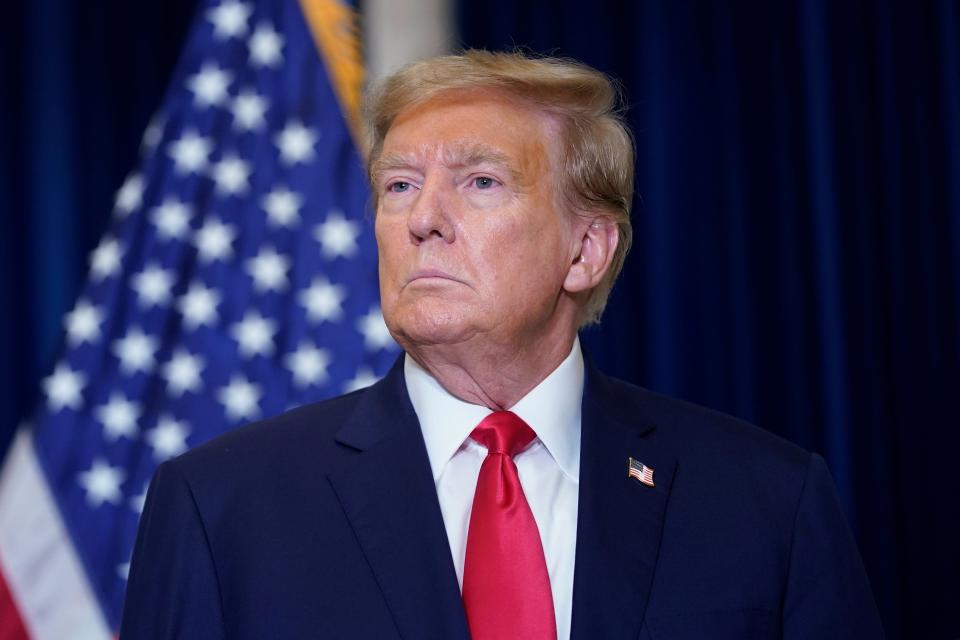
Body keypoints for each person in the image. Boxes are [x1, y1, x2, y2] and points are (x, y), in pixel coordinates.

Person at [120, 50, 883, 639]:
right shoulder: (221, 508)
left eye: (480, 182)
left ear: (585, 250)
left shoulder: (767, 505)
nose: (424, 219)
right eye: (399, 186)